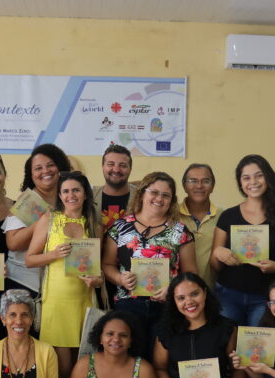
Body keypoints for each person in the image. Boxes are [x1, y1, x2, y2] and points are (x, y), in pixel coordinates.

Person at [103, 171, 197, 357]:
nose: (159, 198)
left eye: (165, 195)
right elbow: (106, 264)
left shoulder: (180, 231)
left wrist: (173, 288)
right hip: (128, 304)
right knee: (129, 358)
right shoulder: (121, 226)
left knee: (160, 359)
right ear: (142, 193)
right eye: (154, 192)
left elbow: (192, 274)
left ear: (172, 200)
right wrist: (120, 279)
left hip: (166, 306)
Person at [26, 171, 103, 378]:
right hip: (57, 303)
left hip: (85, 303)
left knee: (84, 367)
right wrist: (54, 254)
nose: (71, 195)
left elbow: (100, 274)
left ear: (85, 194)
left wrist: (96, 280)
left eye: (76, 190)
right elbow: (30, 259)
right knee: (62, 368)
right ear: (60, 195)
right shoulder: (50, 220)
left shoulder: (94, 225)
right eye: (66, 191)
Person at [212, 155, 275, 326]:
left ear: (268, 177)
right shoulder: (228, 216)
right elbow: (215, 265)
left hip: (266, 296)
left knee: (257, 348)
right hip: (228, 293)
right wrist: (218, 252)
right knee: (227, 346)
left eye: (259, 175)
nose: (253, 182)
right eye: (246, 178)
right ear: (241, 183)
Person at [5, 144, 72, 296]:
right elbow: (13, 243)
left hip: (54, 283)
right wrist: (43, 221)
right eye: (38, 168)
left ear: (60, 167)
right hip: (23, 281)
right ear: (31, 174)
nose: (45, 171)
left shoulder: (69, 196)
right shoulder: (30, 200)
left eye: (50, 165)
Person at [177, 163, 221, 286]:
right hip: (178, 293)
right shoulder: (171, 215)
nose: (199, 186)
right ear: (184, 186)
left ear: (212, 186)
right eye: (193, 181)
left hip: (214, 292)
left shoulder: (224, 216)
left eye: (205, 181)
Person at [94, 143, 135, 232]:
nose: (116, 170)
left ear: (130, 169)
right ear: (102, 167)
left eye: (122, 165)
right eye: (110, 164)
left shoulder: (142, 197)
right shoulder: (89, 196)